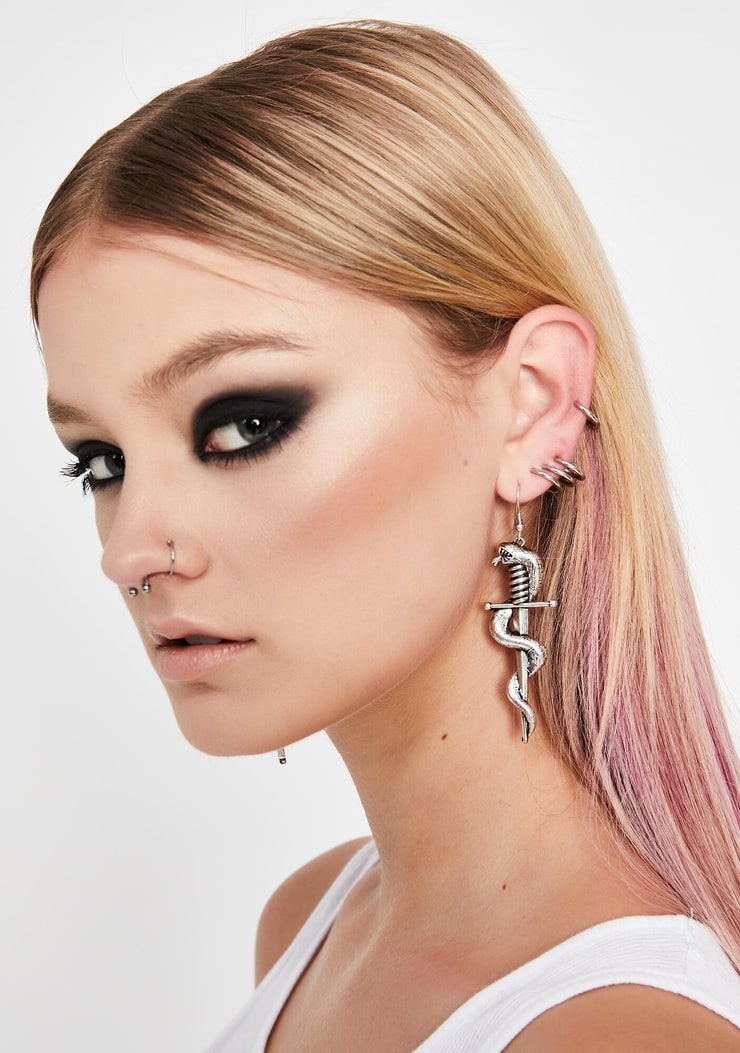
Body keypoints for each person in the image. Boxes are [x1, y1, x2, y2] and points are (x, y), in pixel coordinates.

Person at [31, 19, 739, 1052]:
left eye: (244, 425)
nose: (128, 550)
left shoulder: (622, 1034)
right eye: (101, 460)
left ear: (534, 406)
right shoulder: (306, 925)